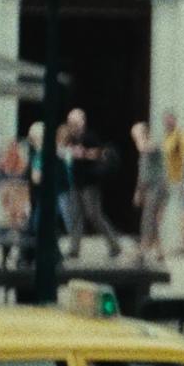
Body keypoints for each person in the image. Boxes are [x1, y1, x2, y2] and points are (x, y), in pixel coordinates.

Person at [63, 109, 122, 259]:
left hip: (90, 183)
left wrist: (82, 153)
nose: (71, 125)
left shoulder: (90, 136)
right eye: (70, 122)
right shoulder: (70, 138)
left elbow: (99, 153)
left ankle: (114, 245)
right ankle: (74, 249)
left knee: (94, 215)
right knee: (76, 216)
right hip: (77, 182)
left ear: (82, 121)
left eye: (74, 122)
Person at [130, 121, 167, 262]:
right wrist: (138, 191)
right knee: (150, 219)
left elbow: (147, 148)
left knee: (148, 219)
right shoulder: (143, 150)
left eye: (136, 134)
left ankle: (143, 250)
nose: (134, 138)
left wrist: (140, 139)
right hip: (148, 188)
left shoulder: (151, 145)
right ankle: (159, 252)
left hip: (157, 188)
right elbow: (142, 173)